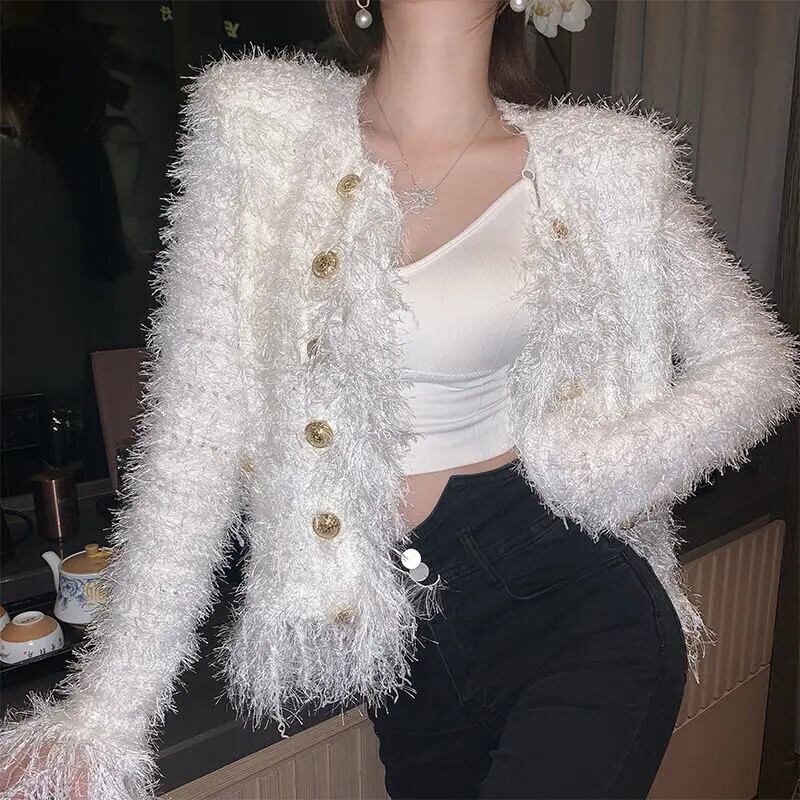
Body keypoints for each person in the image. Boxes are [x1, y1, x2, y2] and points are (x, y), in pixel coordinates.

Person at [2, 1, 799, 798]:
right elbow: (195, 428)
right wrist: (107, 713)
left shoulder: (603, 166)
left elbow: (761, 362)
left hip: (569, 601)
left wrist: (608, 462)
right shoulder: (261, 130)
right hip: (405, 646)